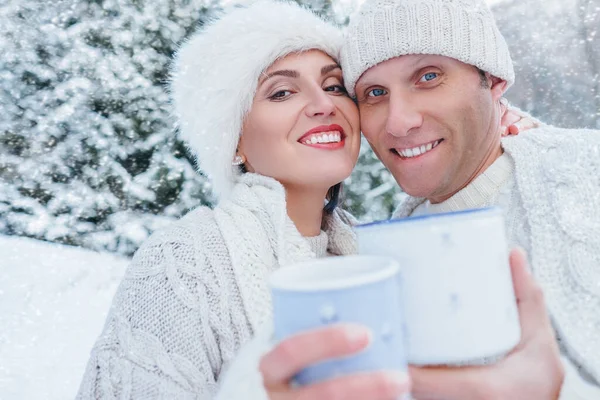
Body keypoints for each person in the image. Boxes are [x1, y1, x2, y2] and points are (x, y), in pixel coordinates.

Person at [215, 0, 600, 399]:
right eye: (375, 92)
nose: (400, 121)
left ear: (495, 80)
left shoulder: (585, 175)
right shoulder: (386, 253)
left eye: (429, 76)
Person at [76, 1, 413, 398]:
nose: (324, 105)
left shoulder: (374, 253)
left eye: (334, 85)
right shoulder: (184, 263)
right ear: (232, 141)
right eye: (282, 92)